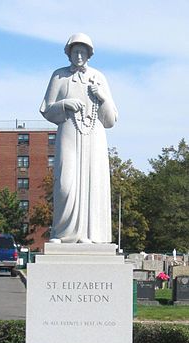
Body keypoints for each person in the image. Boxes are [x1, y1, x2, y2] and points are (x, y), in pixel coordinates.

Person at [40, 33, 118, 243]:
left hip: (94, 135)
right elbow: (47, 109)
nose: (79, 55)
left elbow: (110, 120)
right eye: (75, 51)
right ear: (69, 53)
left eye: (83, 51)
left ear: (89, 54)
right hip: (69, 132)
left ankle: (90, 235)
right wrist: (65, 104)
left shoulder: (99, 77)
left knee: (93, 182)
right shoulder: (59, 76)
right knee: (66, 183)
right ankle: (63, 233)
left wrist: (101, 96)